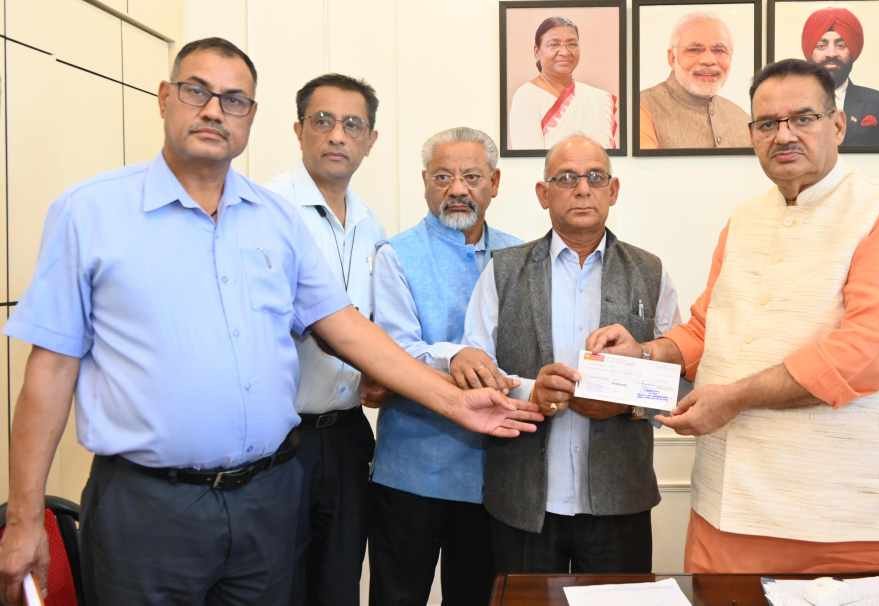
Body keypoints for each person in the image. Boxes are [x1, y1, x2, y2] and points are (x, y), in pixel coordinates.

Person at [0, 39, 540, 606]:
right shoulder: (89, 212)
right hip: (147, 506)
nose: (214, 110)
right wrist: (25, 518)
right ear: (164, 98)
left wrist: (454, 402)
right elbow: (49, 372)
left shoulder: (275, 220)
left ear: (251, 116)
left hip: (265, 499)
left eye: (234, 100)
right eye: (197, 91)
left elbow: (346, 327)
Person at [588, 59, 879, 574]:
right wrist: (646, 353)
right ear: (752, 135)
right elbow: (707, 329)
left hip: (854, 516)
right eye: (767, 123)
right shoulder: (744, 220)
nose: (784, 135)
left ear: (837, 125)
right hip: (731, 509)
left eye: (803, 118)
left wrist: (734, 397)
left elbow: (865, 354)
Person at [453, 134, 681, 573]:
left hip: (620, 500)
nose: (582, 189)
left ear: (613, 190)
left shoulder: (650, 272)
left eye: (595, 177)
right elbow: (477, 373)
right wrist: (530, 393)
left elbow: (677, 381)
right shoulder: (503, 270)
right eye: (566, 178)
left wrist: (626, 403)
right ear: (543, 194)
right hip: (522, 503)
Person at [366, 127, 522, 606]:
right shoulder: (396, 255)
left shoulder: (520, 257)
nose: (457, 189)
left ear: (495, 183)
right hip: (412, 471)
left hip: (496, 477)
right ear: (424, 183)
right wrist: (454, 355)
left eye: (471, 177)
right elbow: (392, 354)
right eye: (442, 177)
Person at [266, 73, 383, 606]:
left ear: (370, 140)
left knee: (339, 584)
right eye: (323, 121)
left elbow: (374, 326)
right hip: (281, 441)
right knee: (278, 586)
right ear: (299, 130)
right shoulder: (266, 211)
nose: (337, 135)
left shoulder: (371, 224)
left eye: (352, 124)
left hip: (348, 435)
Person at [640, 13, 751, 149]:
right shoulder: (641, 108)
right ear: (672, 58)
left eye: (719, 50)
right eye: (694, 50)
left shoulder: (743, 120)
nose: (708, 61)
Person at [508, 16, 619, 150]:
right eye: (554, 44)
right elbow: (528, 158)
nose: (565, 52)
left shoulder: (598, 98)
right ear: (537, 52)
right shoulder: (526, 96)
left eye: (572, 44)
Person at [802, 7, 879, 147]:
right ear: (809, 52)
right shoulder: (787, 104)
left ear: (853, 52)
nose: (831, 54)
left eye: (841, 45)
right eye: (821, 45)